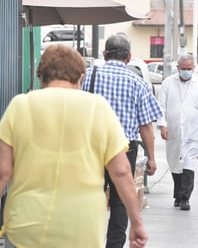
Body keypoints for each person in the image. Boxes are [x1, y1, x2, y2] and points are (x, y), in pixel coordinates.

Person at [0, 45, 148, 247]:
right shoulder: (98, 107)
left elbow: (2, 171)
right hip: (82, 228)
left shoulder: (20, 105)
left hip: (27, 226)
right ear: (81, 77)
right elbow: (121, 172)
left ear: (40, 76)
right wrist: (136, 223)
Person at [82, 34, 162, 247]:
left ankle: (89, 240)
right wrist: (152, 158)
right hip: (125, 149)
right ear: (129, 58)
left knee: (90, 196)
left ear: (104, 55)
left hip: (90, 148)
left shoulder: (86, 76)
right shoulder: (137, 82)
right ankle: (114, 245)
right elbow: (146, 125)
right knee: (120, 201)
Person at [157, 54, 198, 211]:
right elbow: (161, 107)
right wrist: (163, 126)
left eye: (189, 69)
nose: (186, 72)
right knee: (175, 163)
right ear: (178, 68)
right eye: (183, 69)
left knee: (189, 163)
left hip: (193, 131)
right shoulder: (168, 83)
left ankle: (185, 198)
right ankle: (178, 194)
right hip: (173, 131)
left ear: (194, 68)